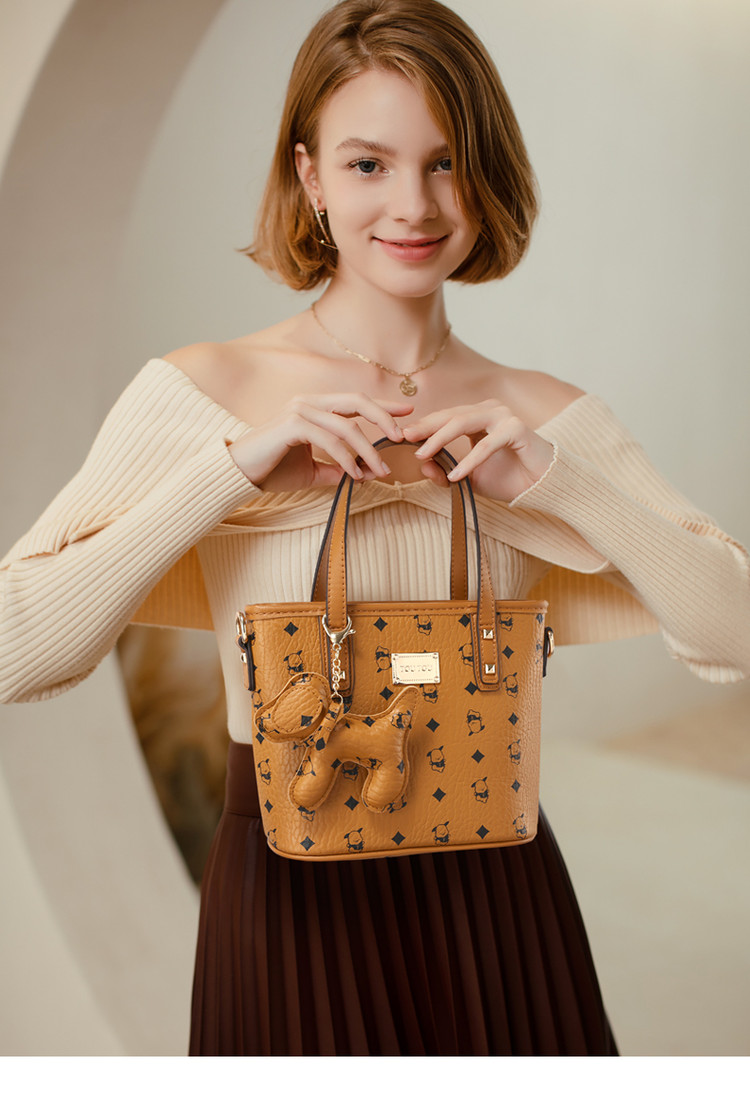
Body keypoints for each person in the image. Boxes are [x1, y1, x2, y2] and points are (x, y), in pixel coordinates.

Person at [1, 0, 748, 1057]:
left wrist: (559, 484)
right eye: (368, 164)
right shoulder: (207, 390)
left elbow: (735, 631)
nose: (414, 204)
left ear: (487, 174)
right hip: (289, 885)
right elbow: (18, 651)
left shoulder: (540, 411)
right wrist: (226, 474)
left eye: (447, 162)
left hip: (498, 885)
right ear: (309, 177)